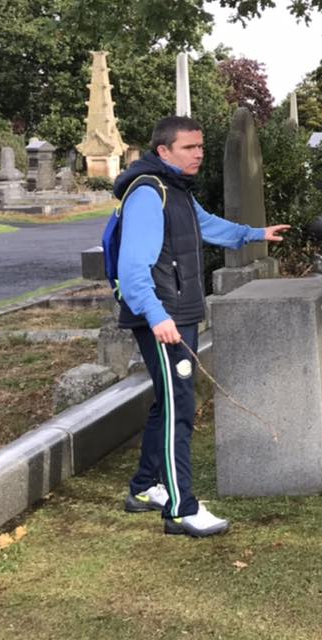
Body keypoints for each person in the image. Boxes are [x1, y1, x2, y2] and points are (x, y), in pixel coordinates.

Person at [115, 116, 290, 538]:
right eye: (189, 147)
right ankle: (180, 508)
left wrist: (255, 232)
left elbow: (208, 226)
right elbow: (133, 266)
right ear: (163, 152)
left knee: (167, 404)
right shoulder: (147, 194)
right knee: (180, 409)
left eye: (200, 147)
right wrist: (157, 317)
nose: (198, 154)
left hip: (179, 311)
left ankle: (144, 488)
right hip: (164, 316)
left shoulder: (175, 190)